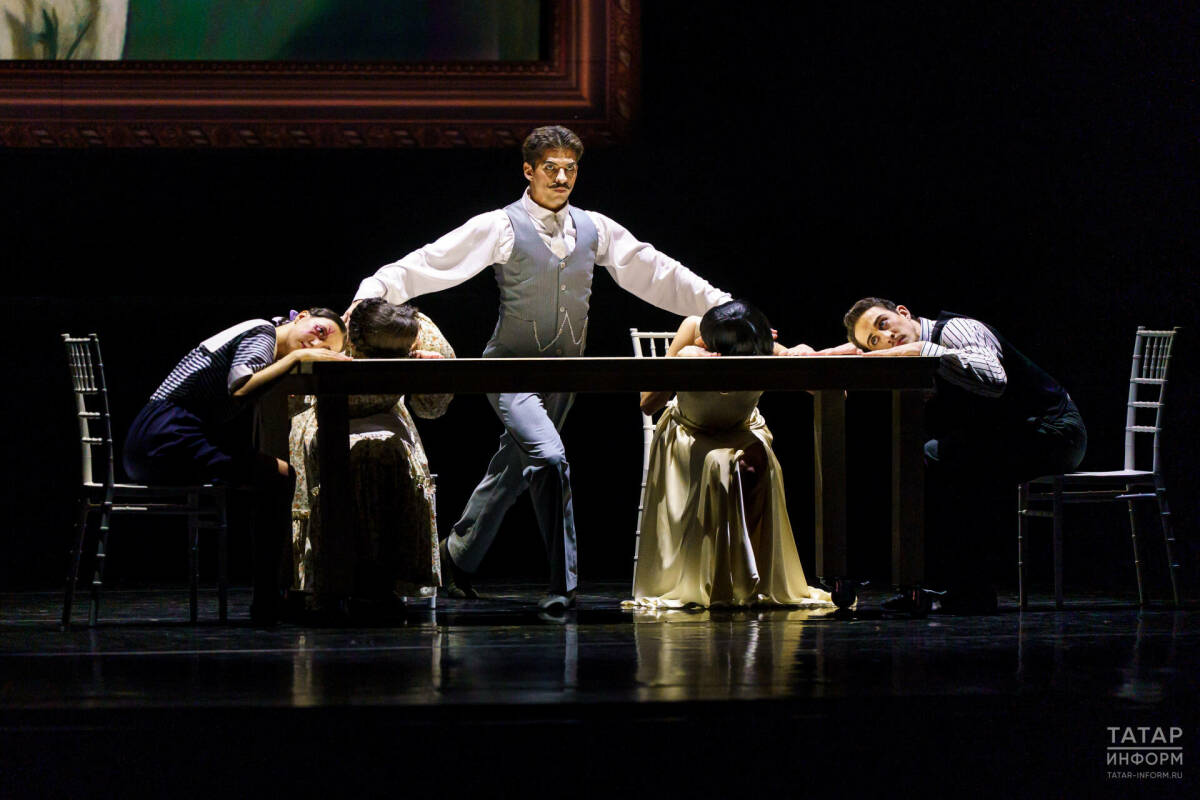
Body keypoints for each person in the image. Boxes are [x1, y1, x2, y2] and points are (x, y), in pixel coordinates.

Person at [348, 125, 732, 613]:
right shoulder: (501, 226)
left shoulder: (594, 228)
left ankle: (456, 556)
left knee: (513, 467)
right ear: (528, 171)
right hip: (510, 371)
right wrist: (371, 294)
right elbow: (431, 262)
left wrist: (724, 307)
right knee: (548, 459)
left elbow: (656, 271)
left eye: (571, 168)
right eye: (551, 167)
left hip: (565, 376)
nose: (562, 177)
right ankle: (562, 585)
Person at [843, 298, 1087, 612]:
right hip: (1016, 434)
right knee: (928, 459)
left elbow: (994, 381)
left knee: (941, 461)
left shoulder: (956, 330)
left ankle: (960, 589)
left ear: (902, 312)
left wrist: (923, 351)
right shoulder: (914, 351)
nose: (887, 338)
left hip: (1056, 432)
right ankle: (941, 586)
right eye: (875, 341)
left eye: (883, 324)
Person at [123, 308, 350, 623]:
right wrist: (296, 359)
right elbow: (241, 386)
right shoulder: (263, 333)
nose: (315, 344)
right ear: (302, 317)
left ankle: (270, 595)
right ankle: (268, 598)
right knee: (278, 478)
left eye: (323, 350)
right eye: (319, 332)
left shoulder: (263, 336)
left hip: (157, 436)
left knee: (275, 475)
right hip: (164, 437)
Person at [628, 300, 834, 609]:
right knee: (719, 464)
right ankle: (716, 578)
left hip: (741, 428)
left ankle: (744, 577)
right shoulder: (691, 329)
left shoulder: (755, 341)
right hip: (690, 432)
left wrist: (800, 357)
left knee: (750, 466)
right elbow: (648, 403)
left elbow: (825, 388)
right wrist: (681, 364)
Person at [288, 299, 455, 620]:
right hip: (324, 413)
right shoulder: (334, 332)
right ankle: (330, 583)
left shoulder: (418, 330)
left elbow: (432, 408)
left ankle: (379, 583)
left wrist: (427, 372)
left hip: (385, 415)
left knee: (382, 452)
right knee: (344, 456)